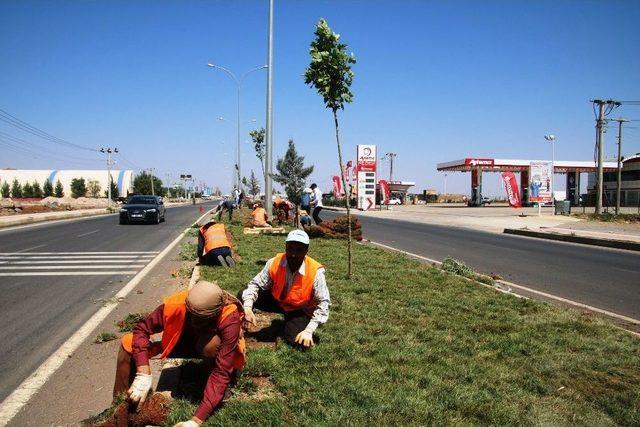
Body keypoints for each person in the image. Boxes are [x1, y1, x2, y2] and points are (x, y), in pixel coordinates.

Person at [113, 280, 246, 426]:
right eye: (192, 316)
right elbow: (141, 330)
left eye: (202, 320)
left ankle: (215, 389)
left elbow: (222, 371)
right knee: (128, 342)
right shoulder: (175, 304)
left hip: (208, 348)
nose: (195, 323)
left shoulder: (229, 316)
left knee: (211, 346)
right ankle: (119, 407)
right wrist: (143, 373)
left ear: (216, 313)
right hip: (179, 343)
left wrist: (196, 420)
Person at [239, 230, 330, 348]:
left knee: (298, 343)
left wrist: (309, 330)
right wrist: (247, 308)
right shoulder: (274, 262)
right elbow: (255, 284)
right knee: (243, 294)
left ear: (306, 251)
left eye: (299, 250)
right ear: (286, 247)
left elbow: (324, 303)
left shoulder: (315, 272)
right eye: (290, 248)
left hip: (299, 309)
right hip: (278, 301)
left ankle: (291, 324)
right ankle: (238, 327)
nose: (293, 254)